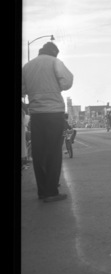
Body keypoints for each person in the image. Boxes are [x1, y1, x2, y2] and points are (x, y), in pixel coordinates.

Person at [22, 42, 73, 202]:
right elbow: (67, 81)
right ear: (54, 53)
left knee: (39, 152)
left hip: (36, 113)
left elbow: (23, 89)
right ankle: (51, 191)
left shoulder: (27, 66)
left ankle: (43, 190)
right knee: (53, 151)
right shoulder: (54, 62)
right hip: (53, 112)